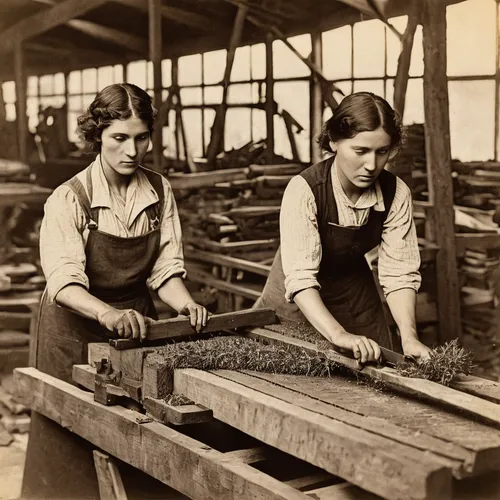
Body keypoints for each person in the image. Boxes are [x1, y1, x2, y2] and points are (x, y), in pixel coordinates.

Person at [22, 83, 208, 499]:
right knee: (67, 444)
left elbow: (165, 270)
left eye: (141, 137)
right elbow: (64, 282)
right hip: (71, 331)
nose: (132, 151)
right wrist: (107, 314)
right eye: (119, 138)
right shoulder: (69, 198)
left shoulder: (159, 191)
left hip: (134, 328)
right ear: (97, 136)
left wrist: (186, 304)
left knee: (137, 437)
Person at [256, 92, 431, 365]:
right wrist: (338, 334)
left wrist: (409, 336)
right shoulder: (305, 189)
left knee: (381, 371)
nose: (372, 165)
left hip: (353, 293)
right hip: (297, 300)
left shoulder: (396, 194)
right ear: (334, 142)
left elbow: (399, 274)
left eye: (382, 151)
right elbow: (301, 280)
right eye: (360, 151)